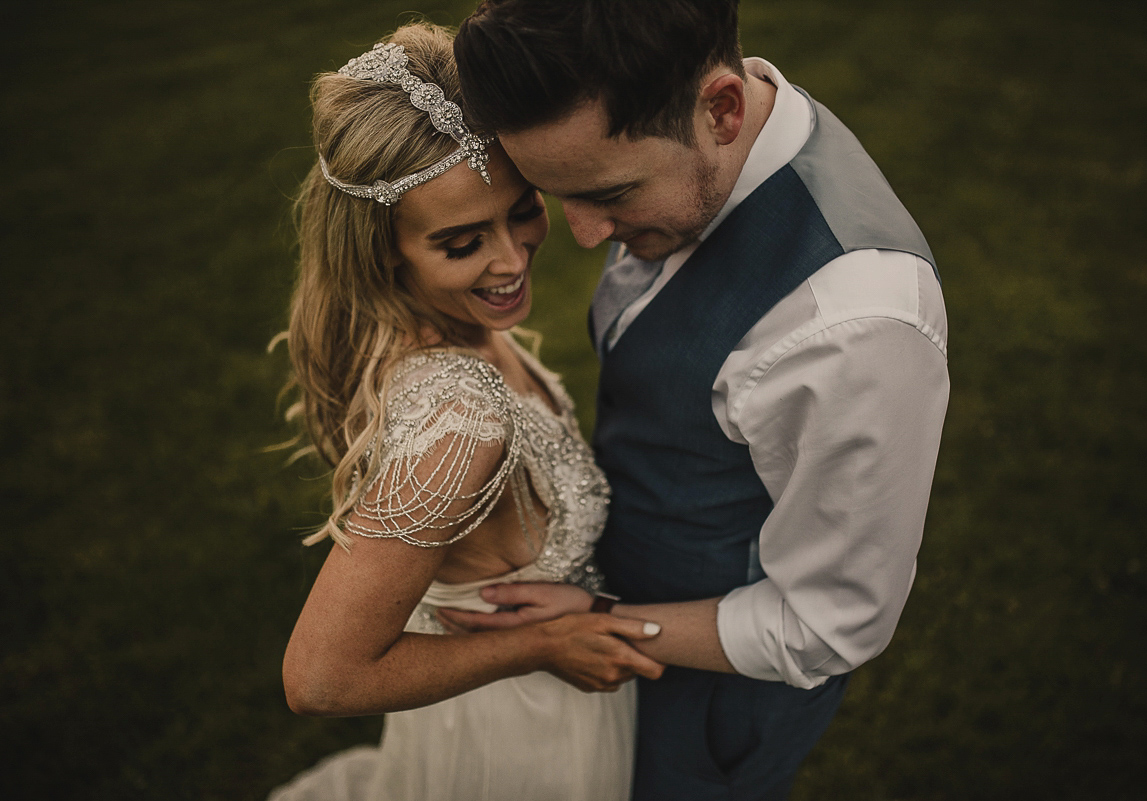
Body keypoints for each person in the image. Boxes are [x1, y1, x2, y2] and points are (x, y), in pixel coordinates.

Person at [441, 2, 952, 799]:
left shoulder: (852, 327)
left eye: (610, 192)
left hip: (708, 703)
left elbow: (829, 621)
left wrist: (595, 618)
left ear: (722, 110)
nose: (581, 233)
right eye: (555, 191)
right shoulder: (702, 134)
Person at [267, 22, 665, 801]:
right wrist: (544, 643)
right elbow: (320, 676)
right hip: (520, 739)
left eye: (522, 210)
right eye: (461, 242)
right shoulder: (459, 417)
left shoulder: (450, 329)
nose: (512, 260)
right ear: (387, 248)